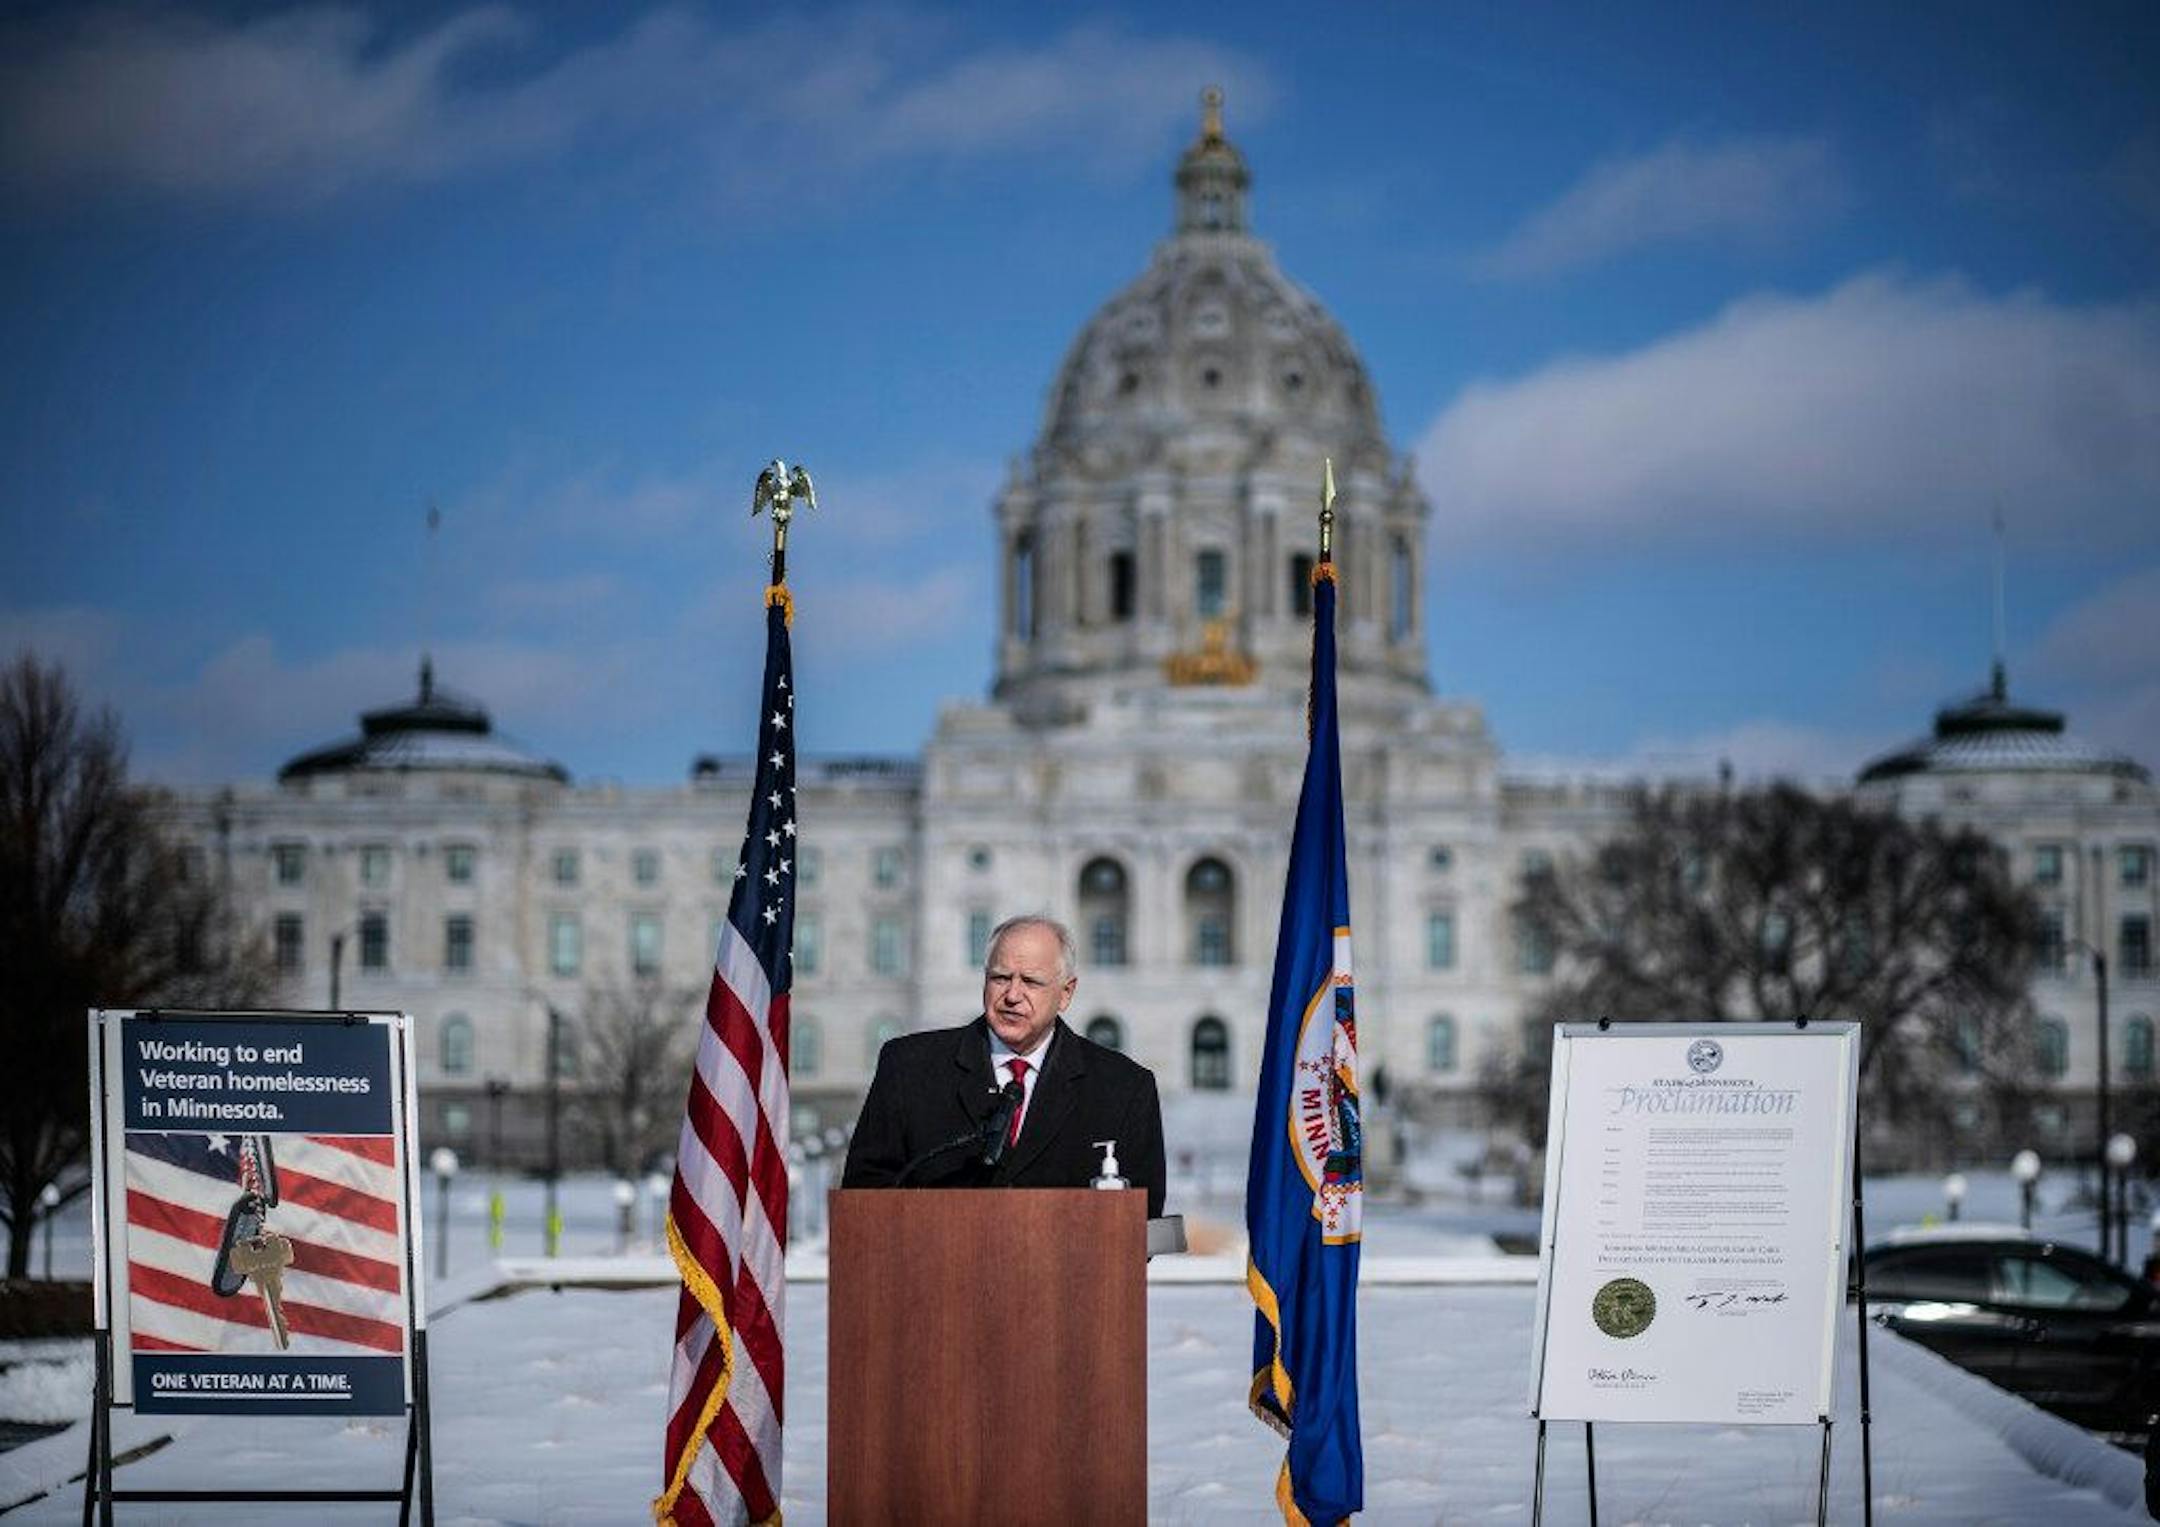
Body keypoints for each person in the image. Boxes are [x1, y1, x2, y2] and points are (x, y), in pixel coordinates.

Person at [841, 914, 1167, 1217]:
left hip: (1061, 1277)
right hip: (938, 1272)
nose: (1012, 995)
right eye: (1000, 978)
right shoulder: (908, 1067)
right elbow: (865, 1195)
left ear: (1065, 993)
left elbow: (1142, 1222)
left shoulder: (1124, 1088)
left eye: (1030, 981)